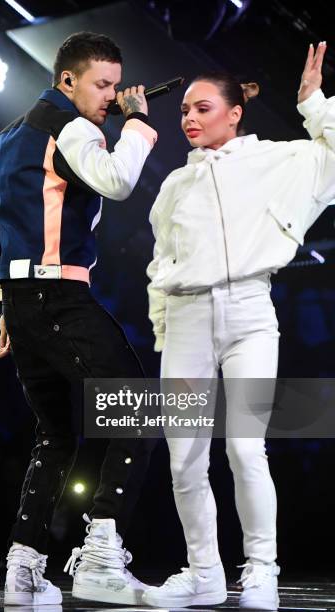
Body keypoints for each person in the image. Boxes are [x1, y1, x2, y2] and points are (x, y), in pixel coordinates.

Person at [0, 31, 158, 606]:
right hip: (59, 298)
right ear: (67, 80)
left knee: (55, 436)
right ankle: (101, 552)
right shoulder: (72, 127)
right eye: (101, 84)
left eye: (114, 85)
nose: (109, 95)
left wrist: (3, 302)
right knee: (137, 406)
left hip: (25, 302)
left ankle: (23, 570)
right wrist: (138, 125)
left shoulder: (7, 136)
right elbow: (118, 181)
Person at [144, 42, 333, 611]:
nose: (189, 119)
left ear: (235, 112)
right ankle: (203, 572)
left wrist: (314, 103)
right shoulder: (174, 186)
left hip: (251, 314)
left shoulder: (279, 161)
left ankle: (262, 571)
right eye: (184, 111)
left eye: (202, 108)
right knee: (184, 456)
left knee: (247, 450)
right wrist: (162, 332)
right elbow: (158, 267)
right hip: (185, 324)